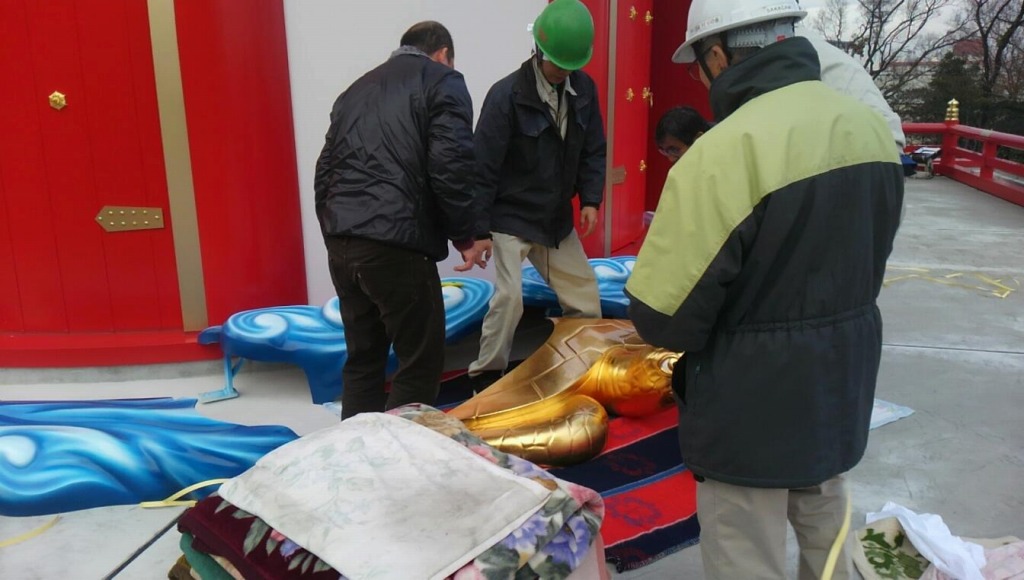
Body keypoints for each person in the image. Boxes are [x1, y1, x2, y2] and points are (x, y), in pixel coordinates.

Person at [624, 0, 905, 578]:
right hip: (837, 391)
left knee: (746, 555)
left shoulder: (722, 153)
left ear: (718, 55)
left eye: (698, 66)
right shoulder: (869, 129)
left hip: (747, 415)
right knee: (828, 541)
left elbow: (664, 315)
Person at [314, 21, 492, 420]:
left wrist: (336, 231)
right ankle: (398, 454)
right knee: (420, 363)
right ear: (443, 54)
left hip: (343, 241)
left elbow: (324, 171)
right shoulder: (443, 81)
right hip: (398, 244)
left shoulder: (355, 89)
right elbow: (450, 166)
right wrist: (466, 235)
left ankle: (356, 451)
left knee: (363, 360)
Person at [468, 0, 607, 388]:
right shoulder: (506, 96)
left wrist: (591, 199)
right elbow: (482, 167)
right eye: (558, 64)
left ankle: (577, 368)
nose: (564, 72)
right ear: (539, 51)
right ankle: (486, 376)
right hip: (510, 218)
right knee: (509, 299)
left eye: (571, 65)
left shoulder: (584, 89)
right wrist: (478, 232)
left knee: (586, 300)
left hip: (554, 219)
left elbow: (594, 148)